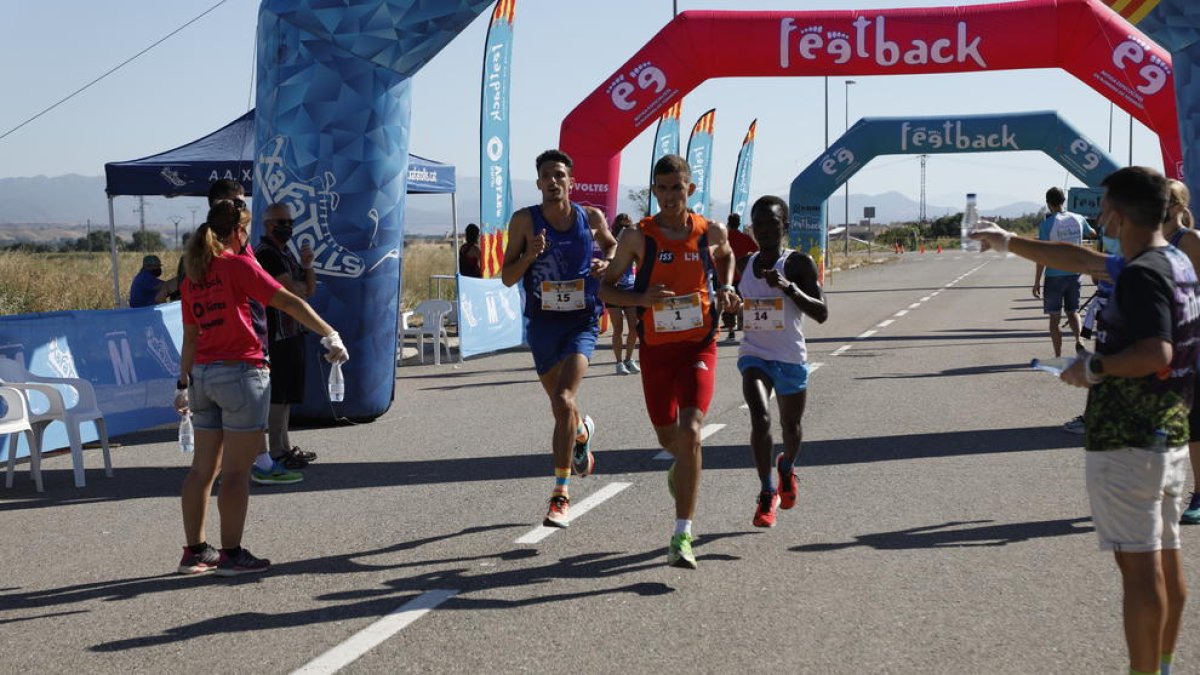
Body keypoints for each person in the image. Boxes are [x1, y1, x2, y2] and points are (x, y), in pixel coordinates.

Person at [972, 166, 1199, 675]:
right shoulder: (1172, 260)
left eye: (1103, 208)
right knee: (1165, 556)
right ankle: (1161, 665)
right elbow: (1079, 259)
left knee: (1139, 569)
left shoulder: (1141, 274)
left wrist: (1094, 367)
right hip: (1167, 435)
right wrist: (1008, 241)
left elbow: (1155, 352)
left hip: (1130, 440)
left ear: (1118, 215)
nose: (1099, 218)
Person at [175, 199, 348, 576]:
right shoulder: (238, 266)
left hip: (202, 377)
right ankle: (231, 554)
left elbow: (190, 337)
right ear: (239, 232)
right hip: (242, 374)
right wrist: (329, 333)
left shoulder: (193, 275)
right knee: (237, 471)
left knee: (202, 470)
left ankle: (195, 551)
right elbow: (288, 302)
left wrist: (182, 384)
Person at [600, 154, 737, 569]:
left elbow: (727, 254)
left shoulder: (709, 231)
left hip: (699, 345)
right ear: (654, 191)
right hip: (657, 351)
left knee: (691, 431)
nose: (670, 196)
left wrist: (726, 287)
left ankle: (681, 535)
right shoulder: (637, 237)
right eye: (662, 188)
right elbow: (606, 289)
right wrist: (641, 298)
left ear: (689, 189)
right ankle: (682, 466)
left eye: (677, 188)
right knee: (668, 439)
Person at [500, 149, 617, 529]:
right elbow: (507, 277)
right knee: (561, 407)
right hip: (543, 325)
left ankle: (560, 494)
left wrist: (606, 263)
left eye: (560, 175)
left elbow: (611, 245)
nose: (553, 181)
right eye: (547, 175)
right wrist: (529, 255)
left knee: (565, 398)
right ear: (538, 183)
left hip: (582, 320)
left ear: (571, 182)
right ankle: (581, 433)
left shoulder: (589, 217)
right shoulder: (524, 221)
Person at [736, 196, 827, 528]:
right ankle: (766, 491)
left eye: (771, 224)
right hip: (754, 354)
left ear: (785, 226)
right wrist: (730, 305)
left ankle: (786, 467)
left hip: (789, 357)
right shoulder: (743, 264)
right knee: (760, 418)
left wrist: (789, 289)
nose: (763, 230)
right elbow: (736, 306)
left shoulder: (799, 263)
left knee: (791, 426)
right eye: (757, 224)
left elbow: (822, 313)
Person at [255, 203, 318, 471]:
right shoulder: (266, 254)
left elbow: (308, 290)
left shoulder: (285, 252)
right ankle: (276, 451)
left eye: (290, 222)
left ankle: (284, 446)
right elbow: (292, 291)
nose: (287, 227)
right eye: (281, 222)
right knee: (278, 394)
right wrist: (301, 283)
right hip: (275, 332)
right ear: (267, 224)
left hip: (292, 330)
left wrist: (307, 265)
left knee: (287, 394)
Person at [1160, 180, 1200, 525]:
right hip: (1161, 342)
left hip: (1191, 341)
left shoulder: (1190, 240)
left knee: (1194, 423)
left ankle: (1199, 493)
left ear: (1176, 206)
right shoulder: (1151, 241)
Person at [1032, 187, 1094, 357]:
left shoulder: (1047, 225)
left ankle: (1058, 355)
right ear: (1063, 201)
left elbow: (1041, 256)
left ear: (1048, 204)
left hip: (1054, 276)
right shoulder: (1078, 218)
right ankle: (1079, 340)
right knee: (1073, 311)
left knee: (1054, 318)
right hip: (1075, 274)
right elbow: (1093, 233)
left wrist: (1037, 282)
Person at [606, 213, 640, 375]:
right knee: (618, 328)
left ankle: (629, 359)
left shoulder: (633, 242)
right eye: (622, 226)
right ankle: (619, 362)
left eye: (627, 226)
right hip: (613, 289)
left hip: (630, 288)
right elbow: (609, 258)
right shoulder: (611, 242)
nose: (625, 229)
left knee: (634, 327)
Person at [722, 212, 759, 342]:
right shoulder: (745, 238)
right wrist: (747, 260)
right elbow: (757, 251)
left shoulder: (724, 238)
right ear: (739, 224)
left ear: (728, 223)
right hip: (742, 275)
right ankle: (746, 329)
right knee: (744, 302)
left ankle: (731, 331)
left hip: (726, 276)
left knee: (728, 304)